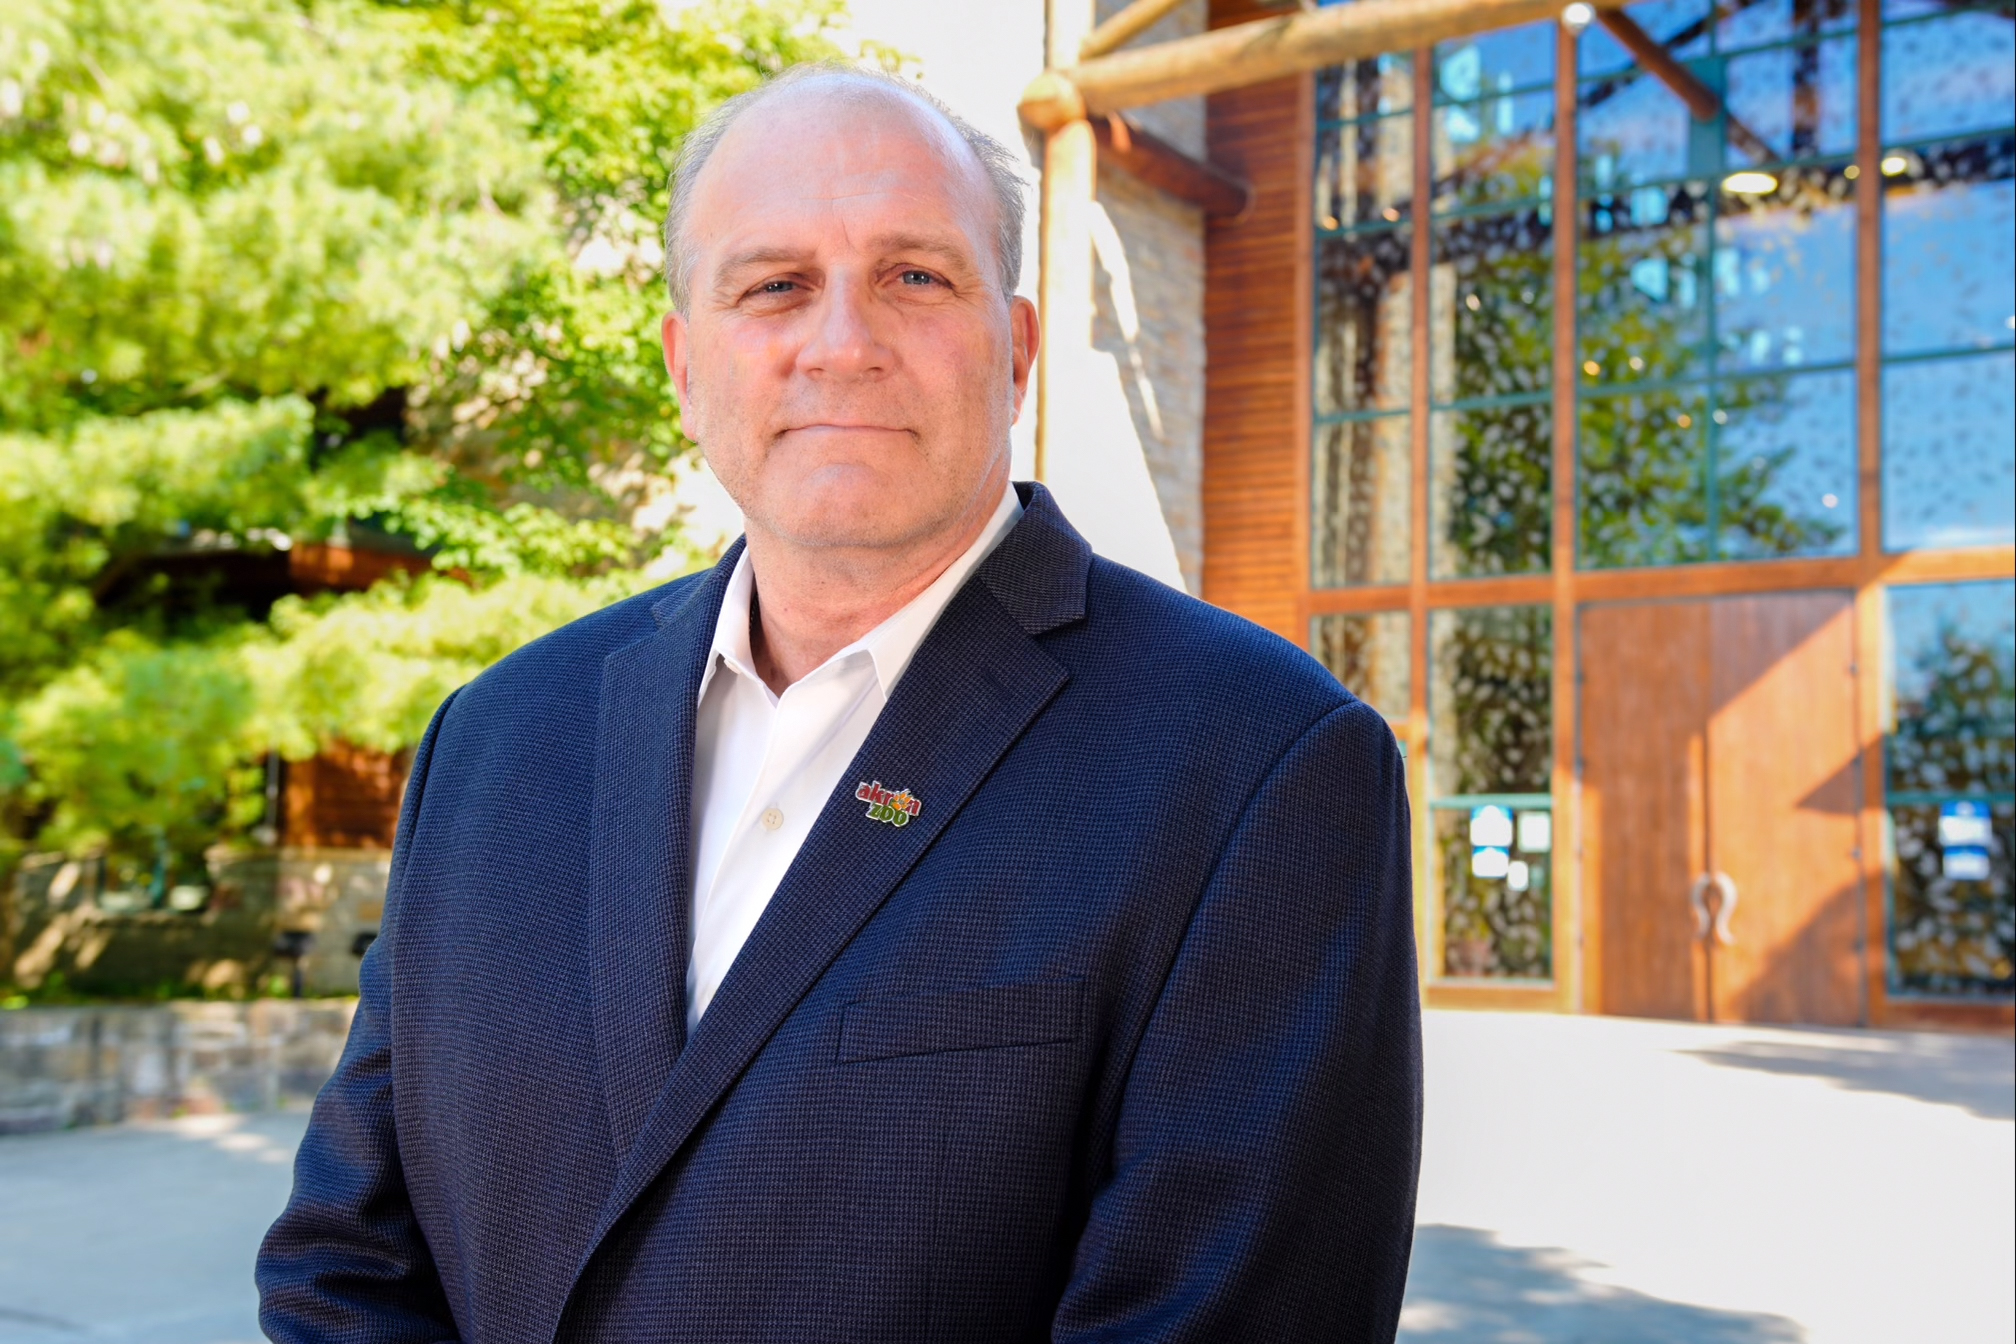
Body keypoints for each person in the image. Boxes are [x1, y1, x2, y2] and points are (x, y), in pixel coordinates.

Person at [256, 65, 1421, 1342]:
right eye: (775, 285)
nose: (843, 343)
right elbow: (344, 1264)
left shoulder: (1260, 763)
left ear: (1017, 350)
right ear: (686, 366)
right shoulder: (495, 740)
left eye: (917, 276)